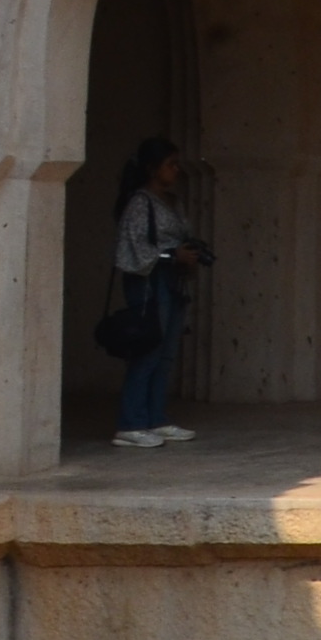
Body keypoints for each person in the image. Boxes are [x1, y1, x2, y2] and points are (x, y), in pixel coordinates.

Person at [105, 135, 210, 449]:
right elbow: (130, 251)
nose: (176, 170)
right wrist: (170, 256)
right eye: (170, 165)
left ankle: (156, 417)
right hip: (149, 282)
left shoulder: (172, 201)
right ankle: (131, 422)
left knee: (165, 354)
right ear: (153, 168)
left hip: (172, 282)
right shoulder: (140, 202)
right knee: (147, 350)